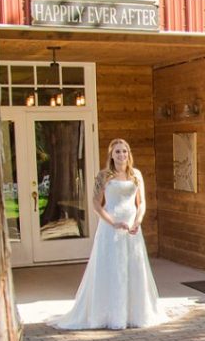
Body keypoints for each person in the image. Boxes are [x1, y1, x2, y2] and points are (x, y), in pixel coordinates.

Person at [50, 138, 167, 330]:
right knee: (111, 268)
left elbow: (141, 202)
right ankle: (110, 314)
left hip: (131, 229)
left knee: (133, 268)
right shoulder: (104, 176)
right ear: (111, 155)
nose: (121, 155)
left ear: (129, 154)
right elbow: (96, 204)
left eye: (124, 151)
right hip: (110, 227)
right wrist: (113, 222)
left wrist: (137, 221)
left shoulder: (136, 175)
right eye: (117, 152)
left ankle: (133, 313)